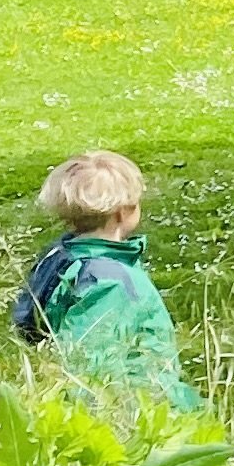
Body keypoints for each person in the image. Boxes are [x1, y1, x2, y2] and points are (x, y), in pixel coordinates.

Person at [13, 150, 203, 412]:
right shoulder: (110, 282)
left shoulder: (59, 255)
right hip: (140, 409)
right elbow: (92, 368)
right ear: (120, 213)